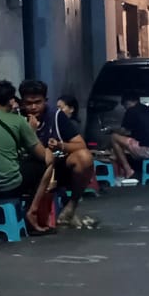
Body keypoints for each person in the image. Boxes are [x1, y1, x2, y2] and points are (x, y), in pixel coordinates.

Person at [19, 82, 94, 230]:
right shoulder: (16, 117)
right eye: (29, 103)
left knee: (84, 158)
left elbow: (80, 144)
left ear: (45, 101)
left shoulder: (56, 116)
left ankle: (72, 205)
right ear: (22, 103)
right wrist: (30, 133)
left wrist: (61, 146)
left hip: (57, 168)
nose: (33, 107)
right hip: (28, 169)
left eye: (37, 102)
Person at [0, 79, 51, 200]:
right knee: (47, 162)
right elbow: (42, 155)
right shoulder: (19, 121)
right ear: (11, 100)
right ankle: (33, 210)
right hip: (8, 187)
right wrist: (32, 132)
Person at [109, 91, 149, 184]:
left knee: (114, 138)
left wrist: (112, 131)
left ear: (127, 103)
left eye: (124, 106)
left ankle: (128, 171)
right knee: (127, 144)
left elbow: (123, 131)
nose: (125, 109)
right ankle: (123, 171)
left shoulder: (131, 111)